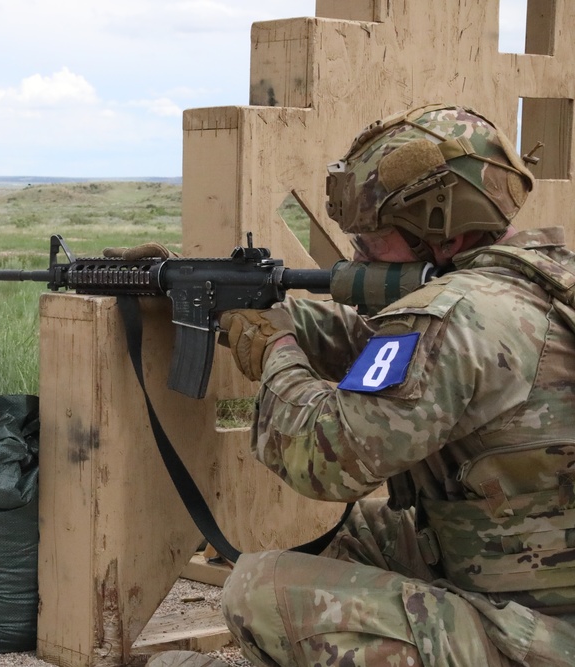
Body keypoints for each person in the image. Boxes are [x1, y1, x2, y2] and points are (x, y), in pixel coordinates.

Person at [150, 104, 575, 667]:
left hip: (543, 633)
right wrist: (248, 311)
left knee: (260, 590)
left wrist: (276, 354)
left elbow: (324, 457)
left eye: (372, 246)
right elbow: (391, 351)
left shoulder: (454, 315)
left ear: (442, 232)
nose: (356, 259)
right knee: (357, 535)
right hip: (537, 567)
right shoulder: (537, 281)